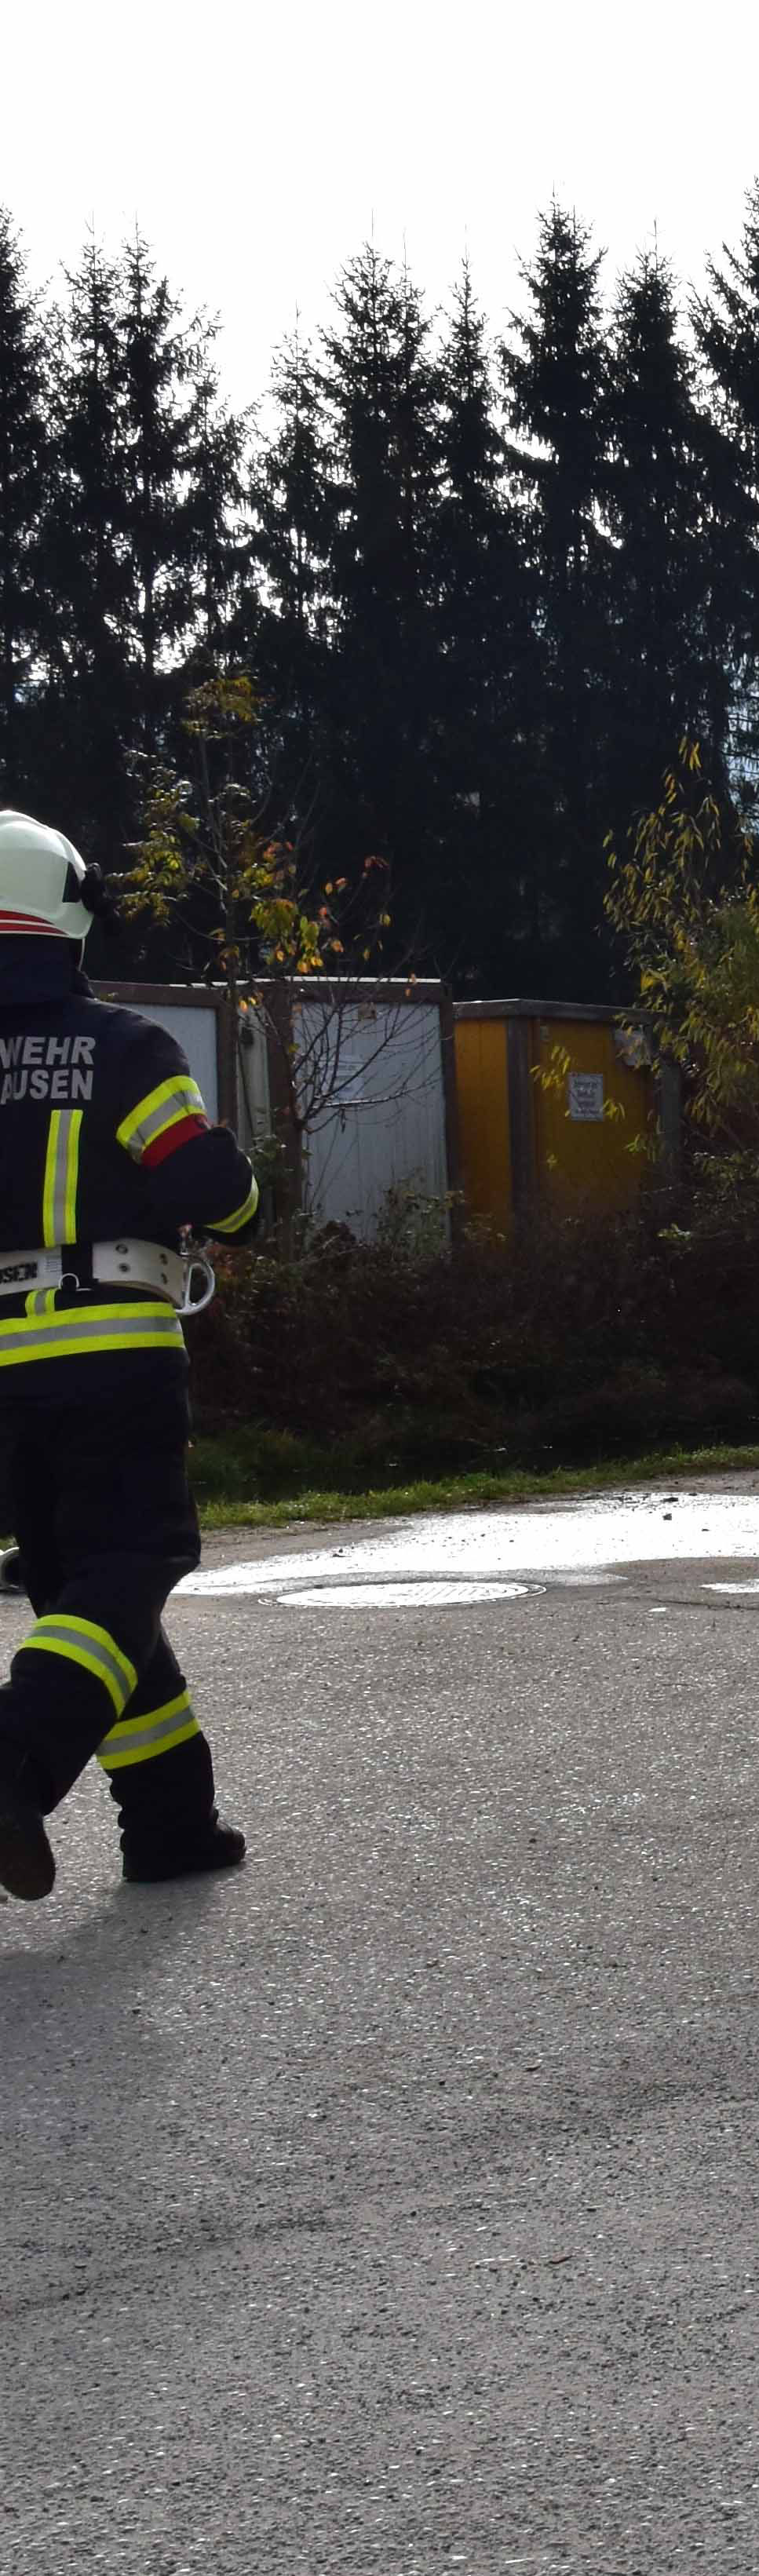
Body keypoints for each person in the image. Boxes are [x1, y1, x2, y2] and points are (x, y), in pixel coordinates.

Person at [0, 812, 261, 1901]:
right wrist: (243, 1201)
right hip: (109, 1349)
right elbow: (210, 1190)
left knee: (85, 1591)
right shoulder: (123, 1047)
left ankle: (169, 1821)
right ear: (67, 914)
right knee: (132, 1560)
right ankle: (15, 1757)